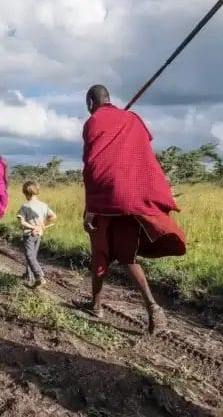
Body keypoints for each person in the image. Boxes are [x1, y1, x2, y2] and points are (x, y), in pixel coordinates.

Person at [81, 84, 186, 334]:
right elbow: (140, 148)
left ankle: (96, 306)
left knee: (100, 256)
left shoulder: (93, 122)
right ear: (108, 99)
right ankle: (153, 308)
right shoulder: (132, 118)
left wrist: (90, 207)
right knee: (127, 257)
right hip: (131, 199)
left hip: (106, 200)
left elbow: (93, 166)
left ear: (90, 103)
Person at [16, 181, 57, 287]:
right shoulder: (43, 205)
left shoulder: (25, 206)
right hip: (39, 234)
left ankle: (39, 276)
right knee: (32, 255)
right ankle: (29, 276)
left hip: (29, 234)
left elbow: (22, 222)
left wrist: (34, 227)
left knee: (29, 255)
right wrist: (41, 226)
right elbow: (53, 216)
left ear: (25, 192)